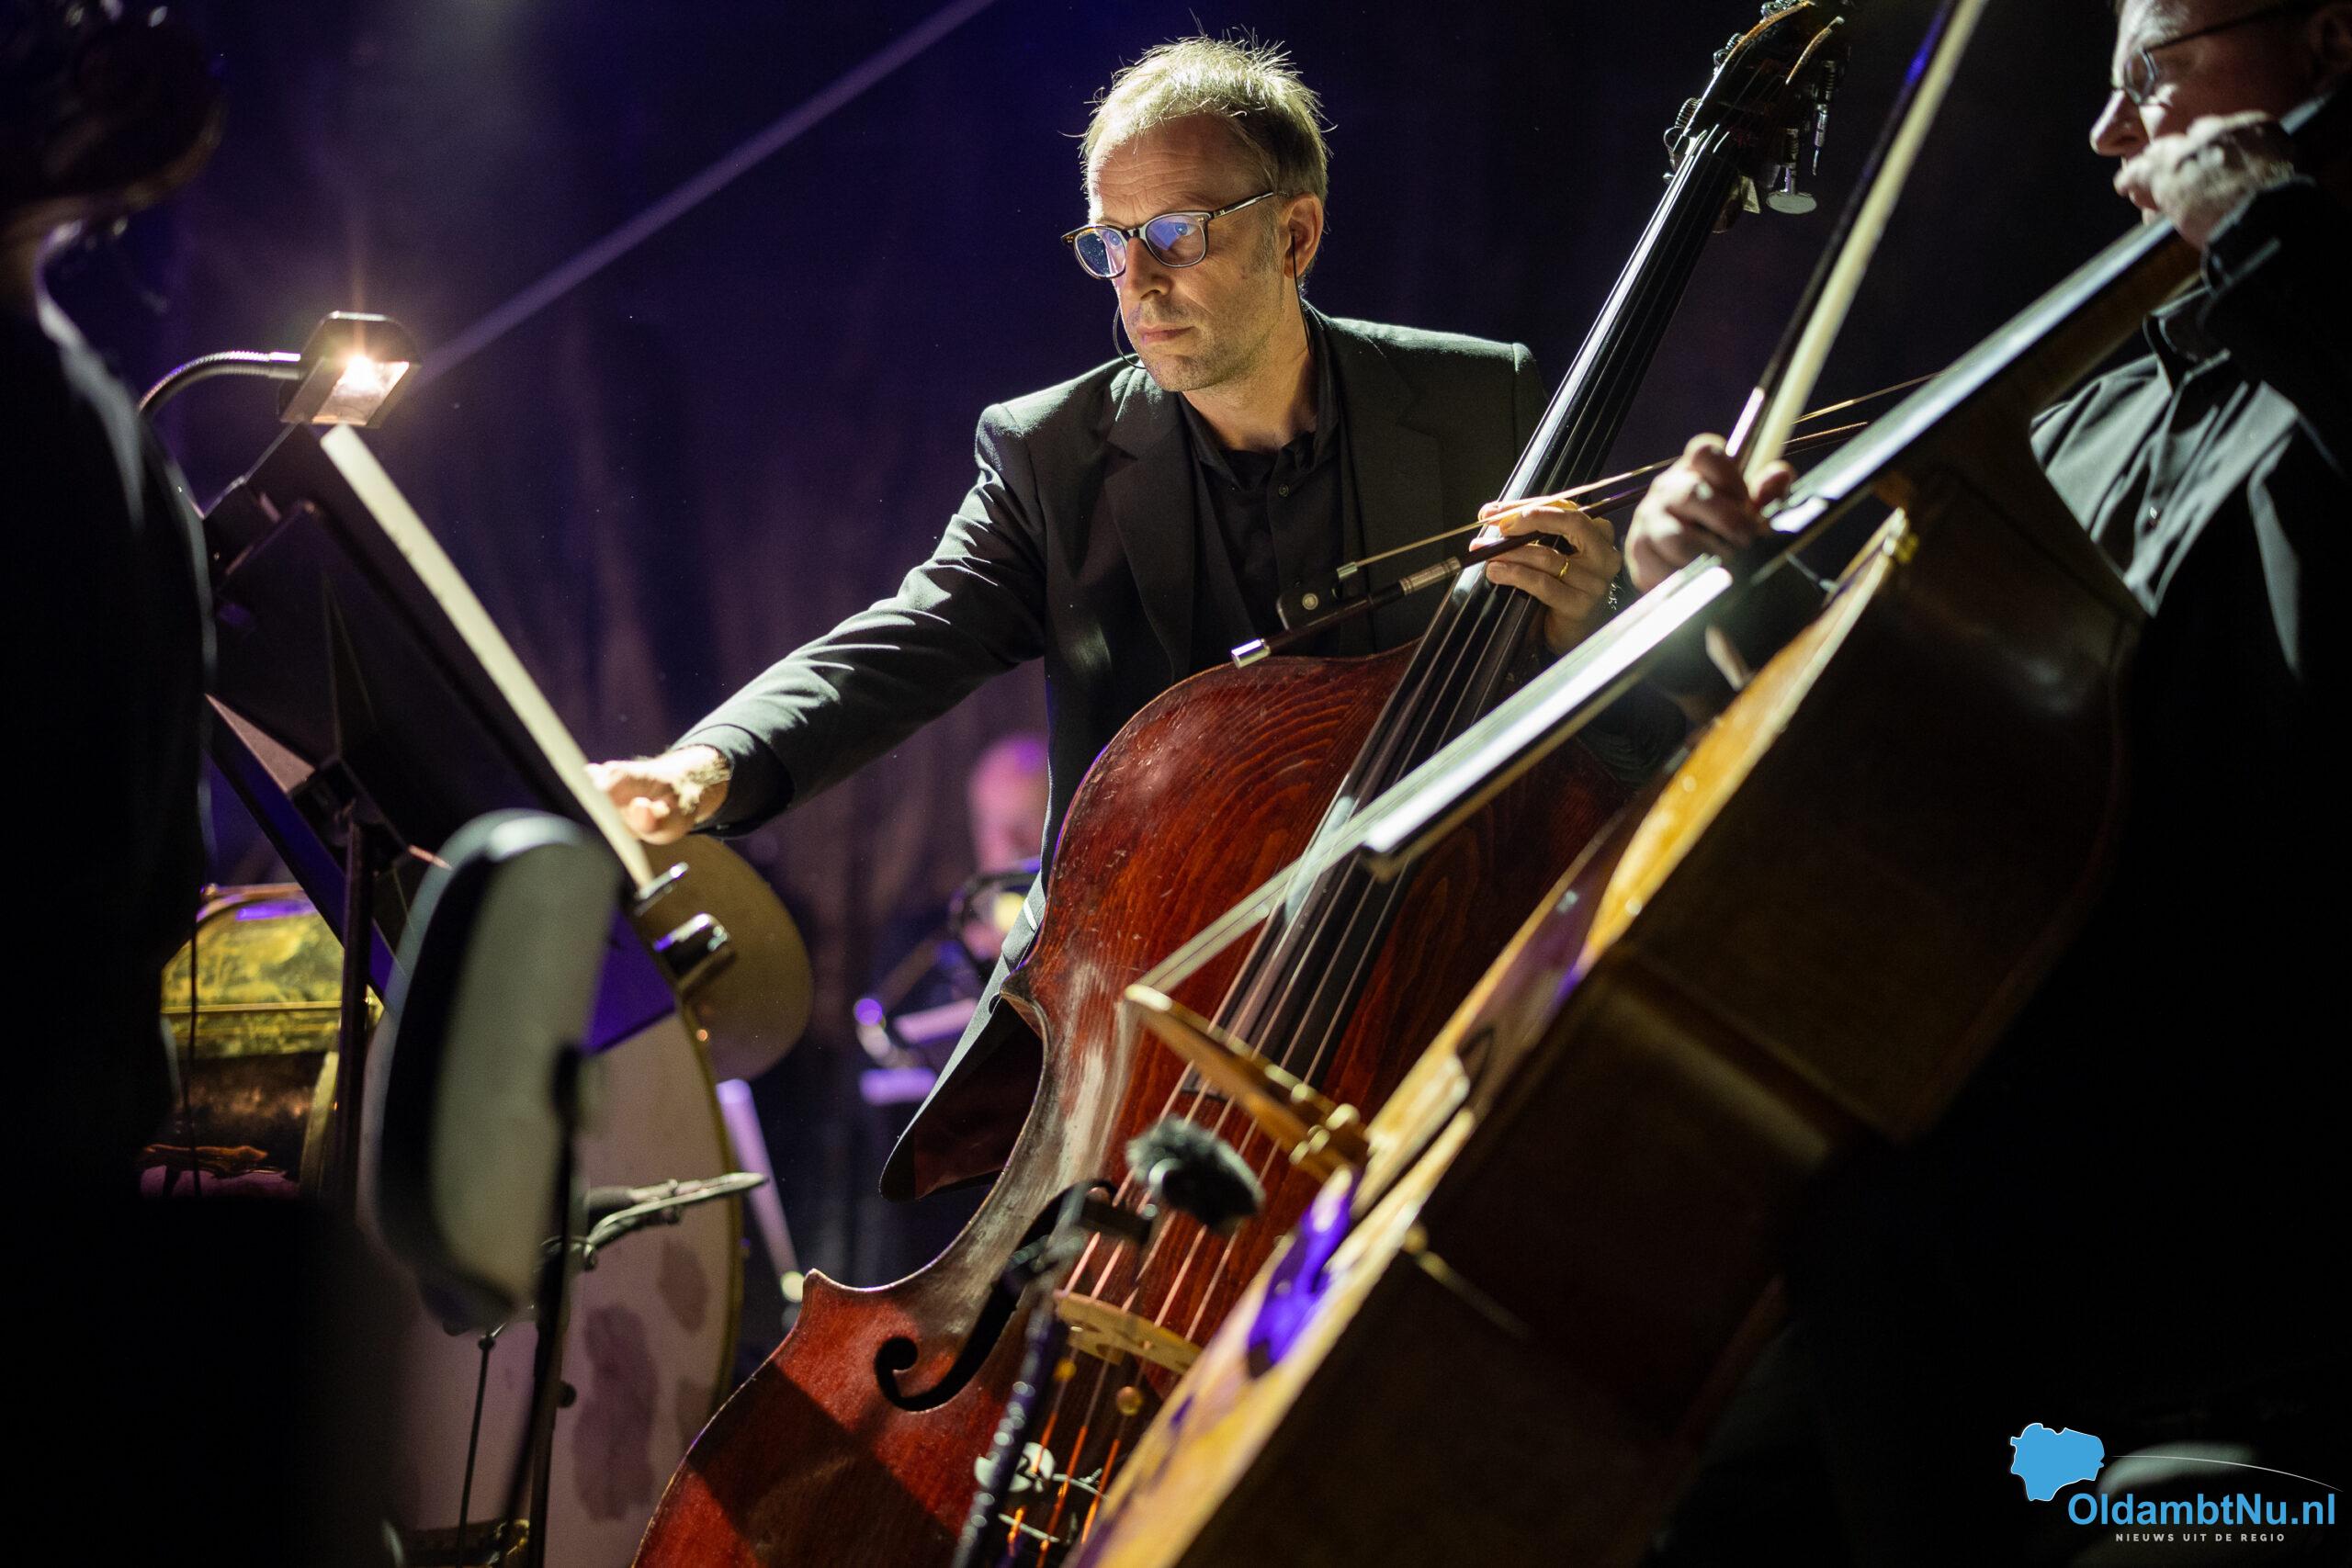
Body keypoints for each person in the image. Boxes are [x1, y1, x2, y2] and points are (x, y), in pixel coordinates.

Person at [593, 36, 1624, 1200]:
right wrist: (703, 770)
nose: (1136, 281)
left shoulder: (1482, 401)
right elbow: (914, 635)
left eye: (1177, 234)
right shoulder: (1049, 456)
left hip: (1433, 971)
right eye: (1108, 242)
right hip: (1135, 1001)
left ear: (1295, 235)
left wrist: (1588, 618)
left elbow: (1622, 702)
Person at [1626, 2, 2349, 1562]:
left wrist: (2279, 241)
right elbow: (1946, 739)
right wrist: (1736, 596)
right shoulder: (2093, 401)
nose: (2108, 133)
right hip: (1979, 1199)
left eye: (2152, 72)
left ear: (2326, 49)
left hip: (2256, 1248)